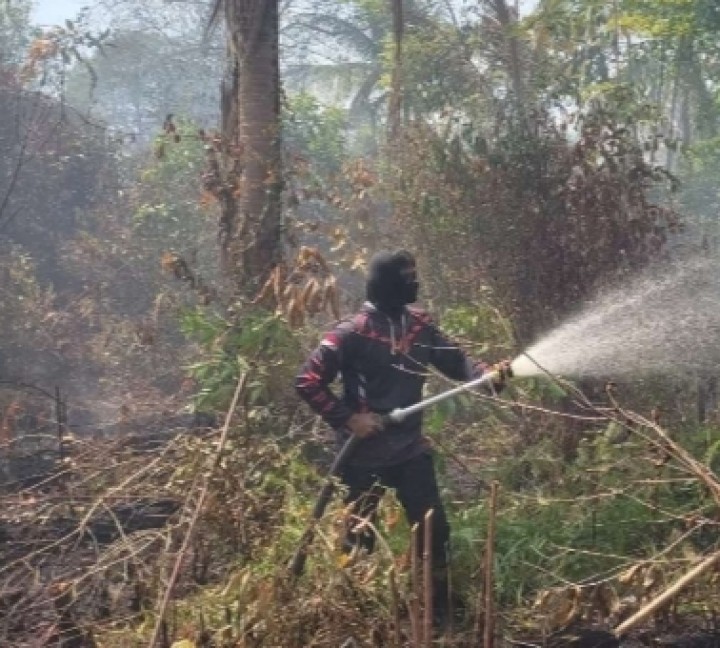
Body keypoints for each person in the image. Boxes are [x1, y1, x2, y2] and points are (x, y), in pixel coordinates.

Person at [295, 249, 509, 627]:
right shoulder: (351, 333)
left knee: (434, 530)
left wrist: (488, 375)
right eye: (408, 276)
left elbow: (457, 361)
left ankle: (438, 611)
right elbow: (308, 382)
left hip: (410, 451)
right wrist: (350, 420)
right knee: (359, 535)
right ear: (388, 284)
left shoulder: (420, 327)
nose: (415, 283)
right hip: (362, 456)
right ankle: (355, 611)